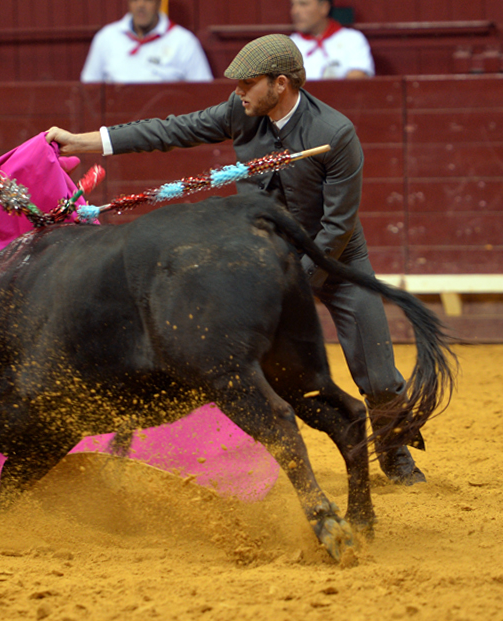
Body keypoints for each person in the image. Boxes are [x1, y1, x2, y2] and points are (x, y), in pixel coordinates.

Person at [47, 33, 425, 486]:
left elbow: (338, 226)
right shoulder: (241, 112)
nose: (238, 92)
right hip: (263, 260)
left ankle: (394, 449)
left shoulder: (335, 132)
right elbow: (171, 130)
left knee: (380, 377)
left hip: (336, 262)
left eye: (248, 83)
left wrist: (296, 282)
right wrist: (83, 142)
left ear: (279, 83)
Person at [80, 0, 213, 83]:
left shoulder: (183, 41)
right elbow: (88, 89)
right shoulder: (106, 38)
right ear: (128, 2)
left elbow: (203, 91)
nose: (140, 5)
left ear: (159, 2)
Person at [289, 0, 374, 80]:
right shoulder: (288, 46)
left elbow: (357, 81)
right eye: (293, 5)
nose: (295, 11)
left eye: (303, 4)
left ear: (324, 7)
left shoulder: (352, 39)